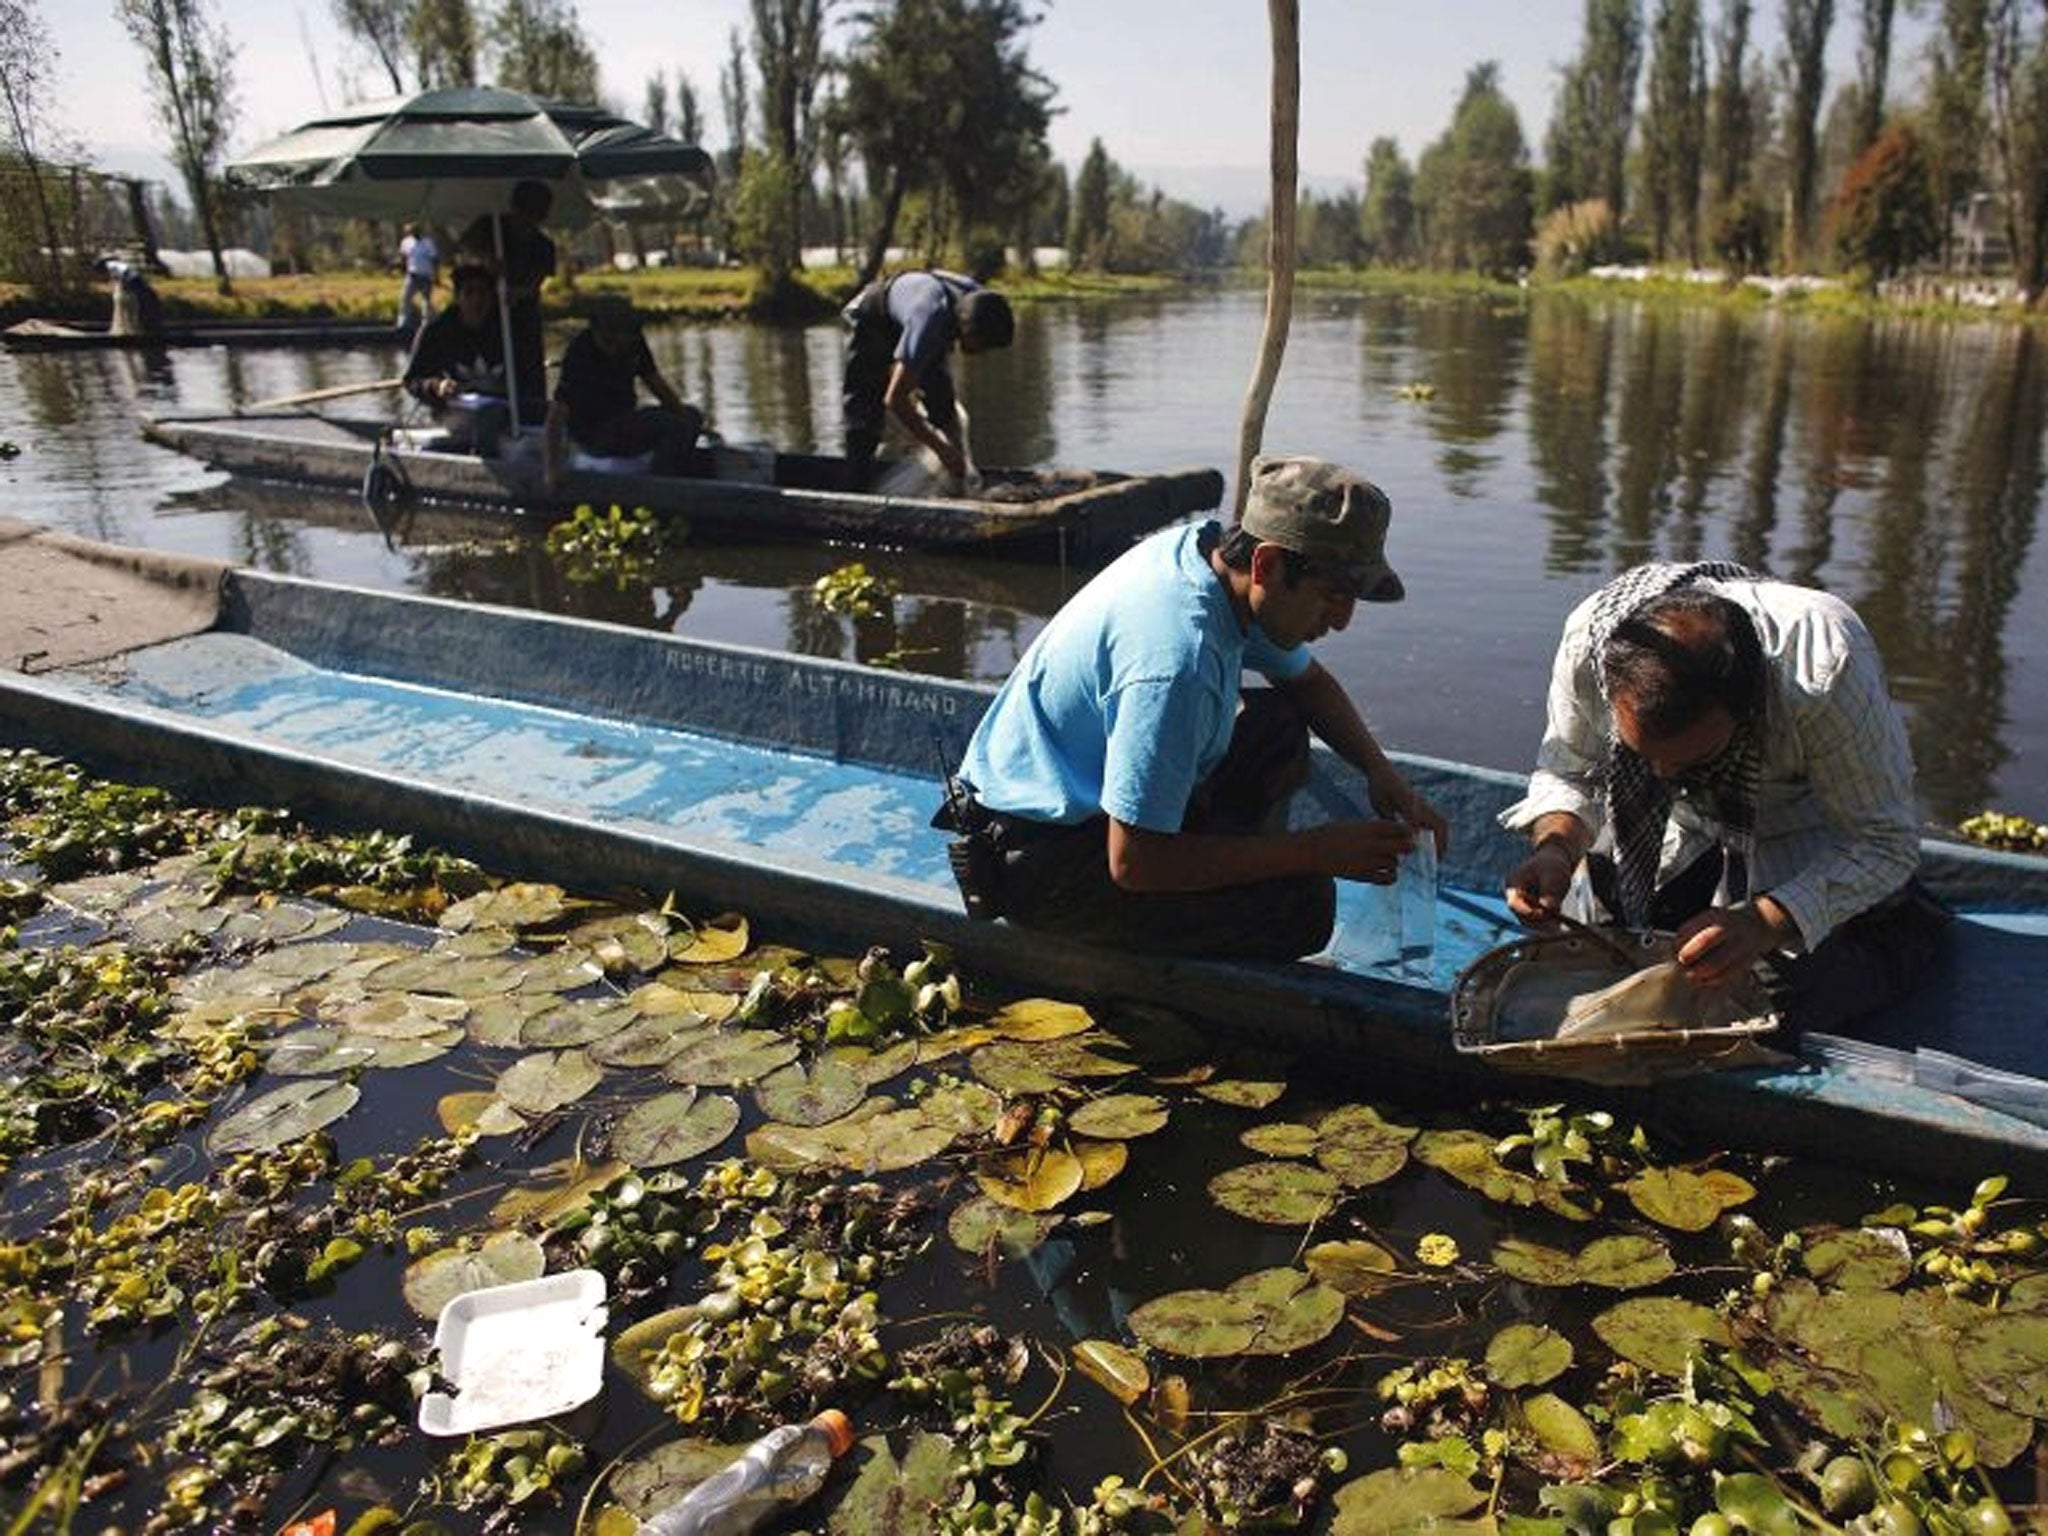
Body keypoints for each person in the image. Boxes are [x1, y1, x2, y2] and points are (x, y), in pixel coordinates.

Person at [941, 454, 1447, 960]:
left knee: (1280, 723)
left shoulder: (1205, 556)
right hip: (1042, 859)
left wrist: (1381, 774)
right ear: (1268, 564)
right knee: (1303, 905)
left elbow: (1309, 683)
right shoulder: (1177, 662)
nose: (1342, 621)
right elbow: (1134, 862)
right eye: (1332, 597)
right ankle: (1214, 884)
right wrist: (1310, 851)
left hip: (1087, 808)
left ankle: (1213, 863)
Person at [1500, 561, 1950, 1037]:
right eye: (1644, 755)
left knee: (1768, 1008)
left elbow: (1882, 842)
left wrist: (1764, 922)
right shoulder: (1594, 646)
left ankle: (1900, 928)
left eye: (1694, 756)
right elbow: (1572, 771)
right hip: (1681, 825)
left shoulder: (1822, 664)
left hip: (1804, 825)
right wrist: (1556, 848)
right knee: (1610, 959)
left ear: (1748, 709)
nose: (1664, 774)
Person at [840, 269, 1012, 487]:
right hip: (872, 317)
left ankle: (958, 482)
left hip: (920, 314)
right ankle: (856, 491)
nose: (983, 353)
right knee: (864, 419)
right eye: (983, 345)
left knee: (942, 401)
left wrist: (957, 453)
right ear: (968, 330)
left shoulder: (981, 301)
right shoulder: (929, 322)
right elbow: (895, 400)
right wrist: (941, 450)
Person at [543, 297, 704, 489]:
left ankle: (676, 467)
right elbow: (557, 414)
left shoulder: (634, 342)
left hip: (625, 419)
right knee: (671, 427)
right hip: (595, 432)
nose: (616, 348)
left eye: (623, 339)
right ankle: (661, 487)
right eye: (610, 341)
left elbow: (656, 384)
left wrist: (683, 417)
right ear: (599, 332)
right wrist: (552, 469)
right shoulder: (581, 353)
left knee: (691, 416)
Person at [461, 178, 557, 423]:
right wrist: (488, 260)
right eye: (526, 214)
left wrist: (518, 292)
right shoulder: (489, 227)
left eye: (536, 216)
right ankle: (489, 417)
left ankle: (530, 419)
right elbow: (466, 249)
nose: (529, 221)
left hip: (523, 315)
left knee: (528, 370)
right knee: (489, 368)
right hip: (485, 313)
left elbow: (537, 281)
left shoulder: (543, 245)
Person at [402, 263, 508, 451]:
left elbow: (528, 380)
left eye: (483, 293)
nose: (477, 300)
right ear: (458, 297)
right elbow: (413, 380)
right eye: (469, 293)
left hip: (504, 420)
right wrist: (436, 386)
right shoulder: (436, 331)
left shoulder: (507, 330)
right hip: (451, 418)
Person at [395, 222, 440, 332]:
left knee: (425, 301)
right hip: (412, 275)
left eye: (416, 231)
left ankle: (427, 324)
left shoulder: (428, 243)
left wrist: (436, 276)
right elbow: (404, 257)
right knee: (405, 298)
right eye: (411, 232)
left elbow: (435, 260)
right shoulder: (406, 242)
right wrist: (401, 268)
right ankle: (403, 323)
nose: (414, 234)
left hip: (426, 276)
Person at [103, 256, 165, 337]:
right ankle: (139, 329)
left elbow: (120, 280)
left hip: (135, 291)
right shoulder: (121, 267)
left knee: (138, 312)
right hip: (136, 290)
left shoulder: (113, 266)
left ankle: (138, 331)